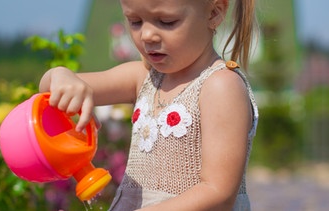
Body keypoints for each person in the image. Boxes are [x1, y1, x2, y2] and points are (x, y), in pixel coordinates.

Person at [39, 0, 259, 210]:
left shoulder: (220, 86)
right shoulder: (143, 77)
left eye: (166, 21)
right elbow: (48, 89)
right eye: (135, 21)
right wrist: (60, 75)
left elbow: (218, 193)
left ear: (214, 13)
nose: (146, 35)